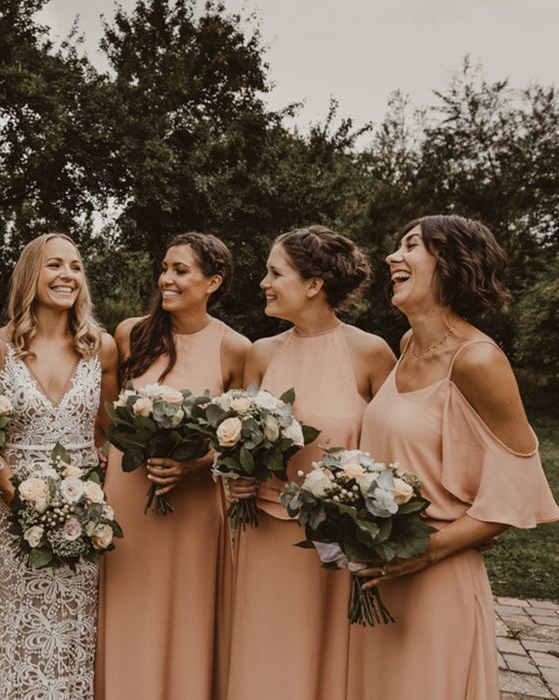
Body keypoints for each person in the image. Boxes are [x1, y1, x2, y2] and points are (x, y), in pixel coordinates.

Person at [347, 215, 559, 699]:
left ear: (450, 262)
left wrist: (423, 552)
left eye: (411, 246)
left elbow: (518, 495)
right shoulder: (407, 345)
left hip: (436, 581)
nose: (392, 258)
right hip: (382, 574)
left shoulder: (478, 360)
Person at [226, 226, 395, 699]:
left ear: (314, 284)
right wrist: (238, 476)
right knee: (264, 653)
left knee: (327, 659)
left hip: (337, 544)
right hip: (265, 531)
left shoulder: (371, 353)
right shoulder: (261, 353)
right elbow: (244, 444)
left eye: (275, 273)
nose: (264, 281)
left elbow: (391, 448)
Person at [96, 232, 250, 700]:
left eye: (180, 271)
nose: (166, 278)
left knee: (188, 612)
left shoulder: (236, 347)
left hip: (194, 502)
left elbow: (242, 438)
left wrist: (195, 466)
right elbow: (108, 415)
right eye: (164, 268)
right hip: (127, 495)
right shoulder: (131, 333)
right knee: (128, 605)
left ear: (213, 282)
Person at [0, 233, 118, 698]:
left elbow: (110, 430)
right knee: (21, 619)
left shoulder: (103, 348)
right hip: (14, 508)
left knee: (77, 622)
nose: (67, 276)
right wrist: (21, 501)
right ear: (31, 274)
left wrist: (91, 491)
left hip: (83, 512)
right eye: (55, 266)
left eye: (75, 267)